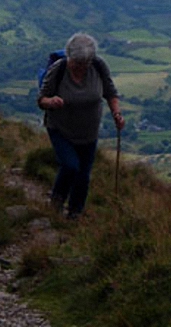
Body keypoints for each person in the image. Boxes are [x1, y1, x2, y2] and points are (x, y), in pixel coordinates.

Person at [37, 32, 125, 219]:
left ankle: (75, 213)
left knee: (83, 176)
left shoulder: (98, 66)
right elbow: (41, 99)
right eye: (77, 64)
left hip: (89, 133)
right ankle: (56, 204)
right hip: (60, 129)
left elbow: (110, 93)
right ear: (69, 57)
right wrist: (51, 101)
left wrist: (116, 113)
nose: (81, 68)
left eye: (85, 64)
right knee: (70, 166)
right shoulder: (58, 69)